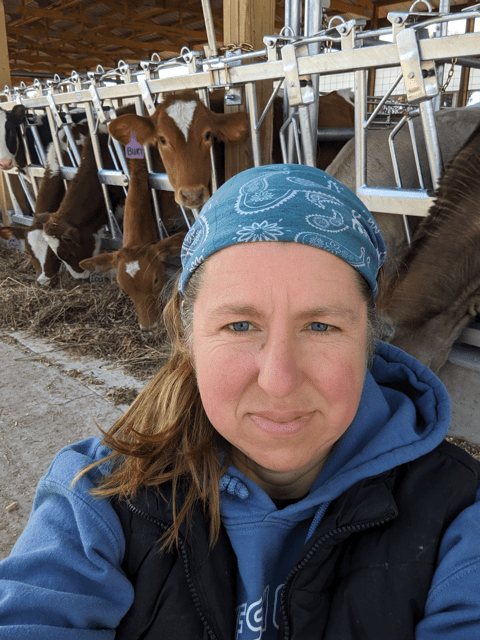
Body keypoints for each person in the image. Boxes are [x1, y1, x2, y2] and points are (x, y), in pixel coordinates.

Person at [1, 164, 480, 640]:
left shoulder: (460, 512)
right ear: (187, 336)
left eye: (321, 326)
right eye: (240, 325)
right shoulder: (95, 496)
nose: (279, 381)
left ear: (369, 339)